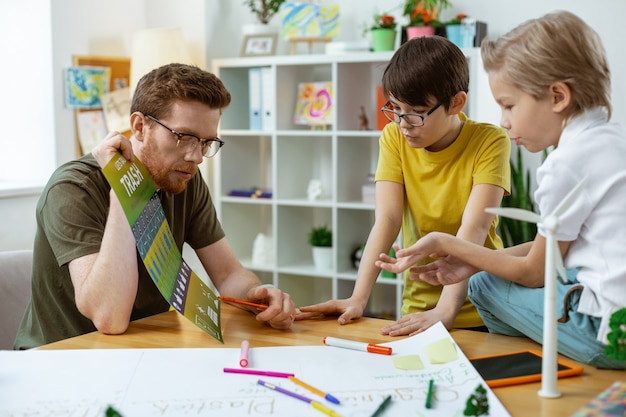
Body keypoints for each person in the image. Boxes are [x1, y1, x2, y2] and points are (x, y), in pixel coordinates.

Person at [376, 11, 626, 369]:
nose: (505, 120)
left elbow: (535, 271)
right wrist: (468, 255)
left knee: (482, 285)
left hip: (608, 335)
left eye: (509, 105)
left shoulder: (565, 163)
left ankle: (505, 365)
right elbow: (551, 251)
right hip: (618, 317)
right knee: (491, 271)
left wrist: (449, 245)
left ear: (557, 96)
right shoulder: (612, 140)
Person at [14, 63, 296, 349]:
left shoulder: (185, 180)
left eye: (207, 142)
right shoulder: (74, 189)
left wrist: (259, 295)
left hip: (146, 349)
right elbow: (108, 317)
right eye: (184, 137)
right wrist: (123, 190)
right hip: (63, 358)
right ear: (139, 126)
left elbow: (228, 274)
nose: (196, 156)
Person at [298, 36, 511, 336]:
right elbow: (387, 219)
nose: (402, 123)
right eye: (395, 108)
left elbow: (473, 229)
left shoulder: (490, 141)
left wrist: (446, 310)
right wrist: (358, 298)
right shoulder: (394, 137)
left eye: (416, 112)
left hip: (487, 306)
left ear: (456, 103)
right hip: (419, 306)